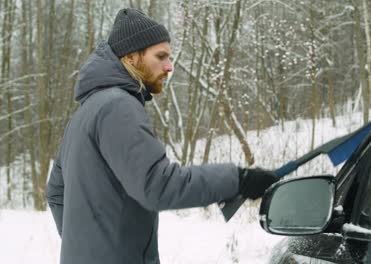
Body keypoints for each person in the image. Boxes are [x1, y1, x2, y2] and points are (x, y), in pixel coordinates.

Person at [45, 8, 278, 264]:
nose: (169, 66)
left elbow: (56, 192)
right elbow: (157, 186)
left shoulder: (84, 113)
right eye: (161, 56)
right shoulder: (117, 107)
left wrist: (87, 248)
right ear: (132, 57)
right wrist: (238, 179)